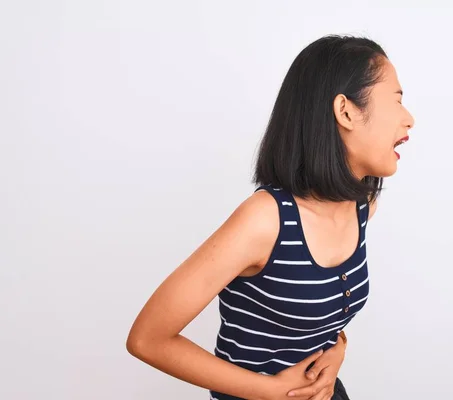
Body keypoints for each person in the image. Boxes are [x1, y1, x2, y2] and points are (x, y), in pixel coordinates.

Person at [126, 34, 415, 400]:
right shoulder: (264, 220)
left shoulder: (362, 206)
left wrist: (338, 351)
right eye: (397, 101)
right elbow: (147, 338)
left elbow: (319, 311)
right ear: (345, 111)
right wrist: (269, 391)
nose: (409, 120)